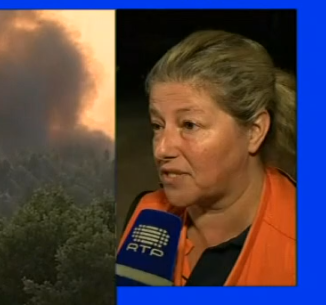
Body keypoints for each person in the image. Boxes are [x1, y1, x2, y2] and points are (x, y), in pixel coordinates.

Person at [120, 30, 297, 286]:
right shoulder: (146, 213)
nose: (162, 149)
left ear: (254, 131)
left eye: (189, 125)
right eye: (157, 125)